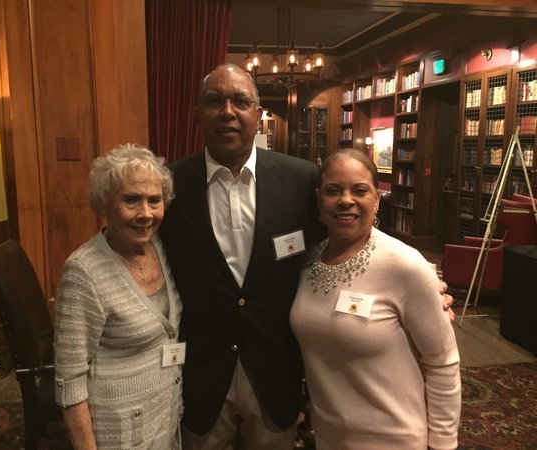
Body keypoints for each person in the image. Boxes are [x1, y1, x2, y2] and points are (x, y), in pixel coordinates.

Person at [160, 63, 454, 450]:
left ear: (258, 114)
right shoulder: (168, 186)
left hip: (274, 372)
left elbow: (344, 241)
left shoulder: (302, 180)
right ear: (198, 114)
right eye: (214, 101)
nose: (227, 111)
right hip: (202, 372)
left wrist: (419, 289)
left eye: (240, 102)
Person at [290, 148, 461, 450]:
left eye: (360, 190)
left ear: (377, 199)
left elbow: (442, 362)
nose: (346, 200)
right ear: (319, 199)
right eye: (333, 191)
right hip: (329, 436)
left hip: (394, 438)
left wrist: (443, 443)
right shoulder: (308, 261)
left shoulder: (405, 265)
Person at [54, 144, 183, 449]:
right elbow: (69, 381)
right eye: (131, 200)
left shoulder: (159, 248)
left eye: (155, 200)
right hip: (118, 433)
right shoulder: (83, 271)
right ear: (104, 204)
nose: (146, 213)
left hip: (165, 418)